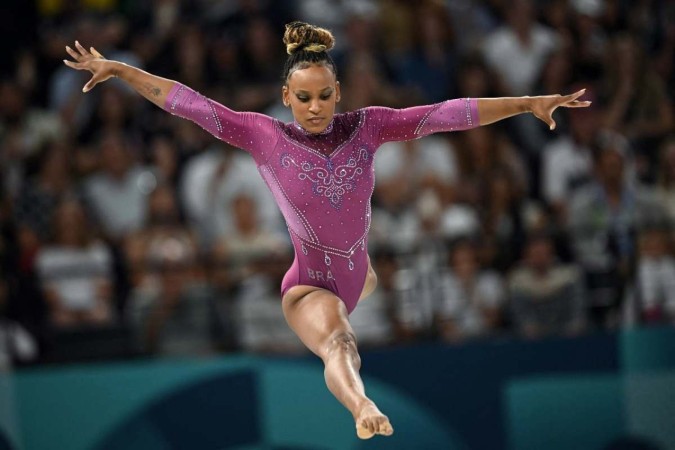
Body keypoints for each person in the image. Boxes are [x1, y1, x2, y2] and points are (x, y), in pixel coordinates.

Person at [63, 21, 590, 439]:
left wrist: (526, 103)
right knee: (340, 339)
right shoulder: (262, 134)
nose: (315, 109)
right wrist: (120, 70)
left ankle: (365, 289)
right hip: (310, 283)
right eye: (304, 98)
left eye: (324, 96)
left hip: (358, 269)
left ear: (337, 92)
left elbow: (448, 113)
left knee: (364, 281)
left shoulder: (369, 124)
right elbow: (183, 100)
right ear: (286, 95)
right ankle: (362, 405)